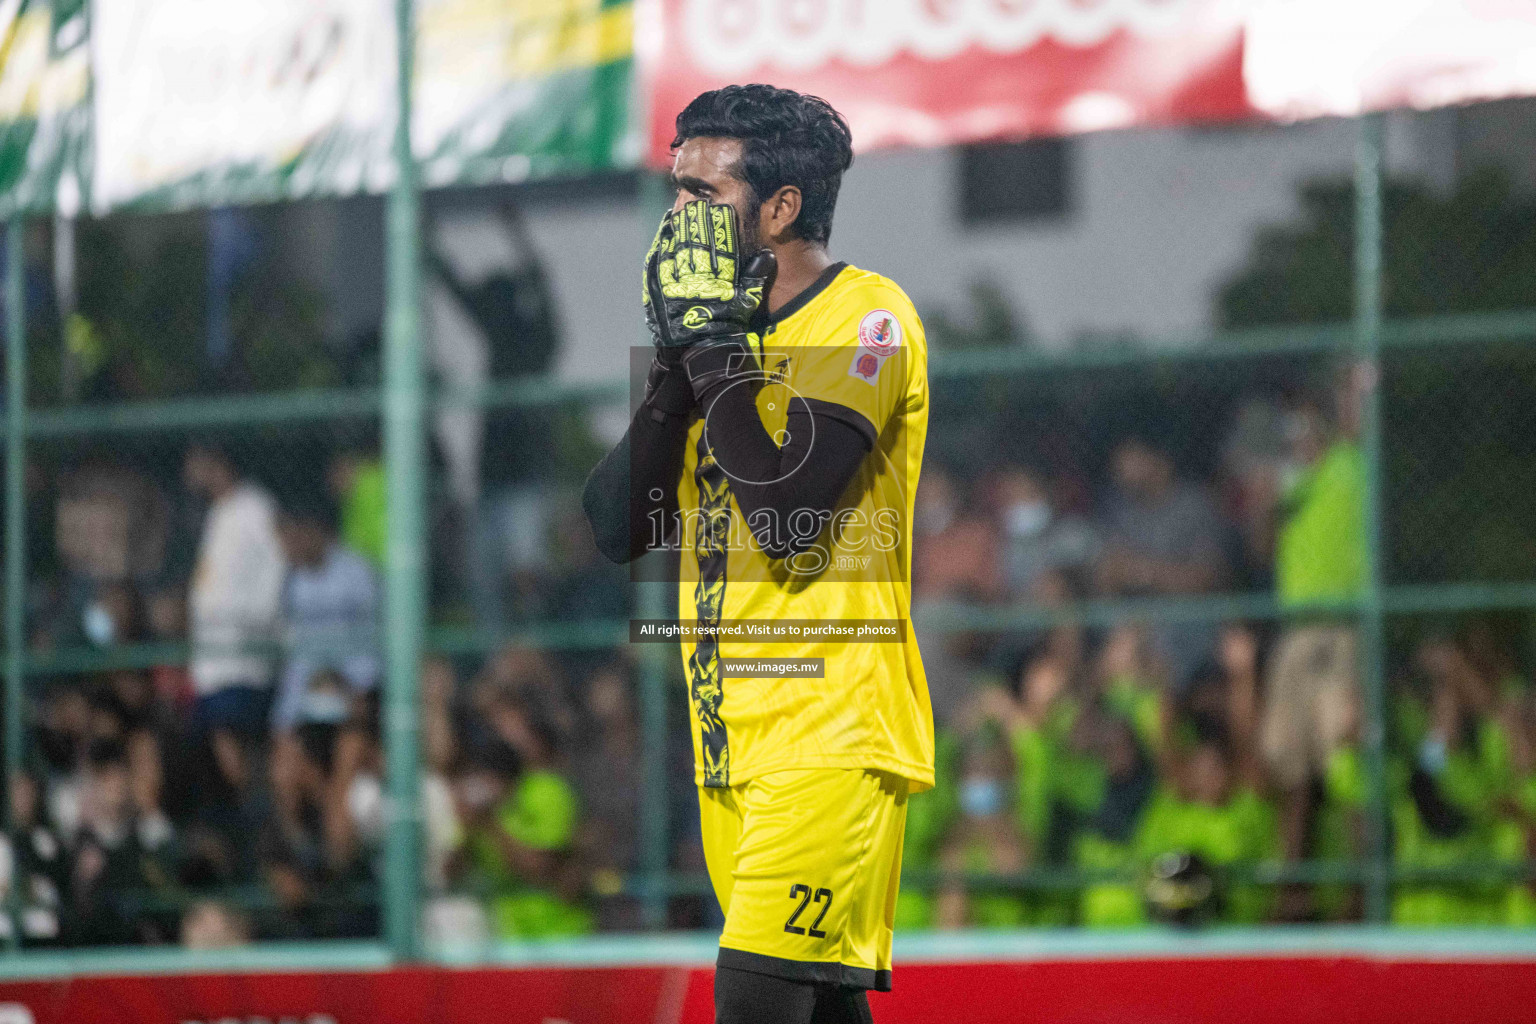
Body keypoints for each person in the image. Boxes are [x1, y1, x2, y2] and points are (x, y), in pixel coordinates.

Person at [583, 85, 933, 1024]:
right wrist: (673, 372)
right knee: (817, 1013)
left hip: (830, 733)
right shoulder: (720, 343)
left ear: (780, 208)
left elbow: (788, 521)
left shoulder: (867, 317)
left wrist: (710, 357)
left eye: (705, 194)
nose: (678, 216)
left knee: (753, 1002)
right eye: (675, 191)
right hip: (731, 742)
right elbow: (618, 528)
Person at [1257, 383, 1366, 918]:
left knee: (1346, 766)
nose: (1298, 440)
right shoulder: (1289, 491)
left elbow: (1356, 405)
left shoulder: (1349, 463)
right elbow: (1260, 547)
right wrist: (1269, 506)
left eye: (1305, 429)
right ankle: (1291, 895)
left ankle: (1362, 894)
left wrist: (1354, 376)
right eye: (1290, 434)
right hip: (1294, 634)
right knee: (1289, 771)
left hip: (1342, 630)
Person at [183, 444, 286, 796]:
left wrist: (258, 623)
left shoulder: (255, 506)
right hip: (213, 657)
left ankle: (253, 813)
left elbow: (277, 565)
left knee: (239, 745)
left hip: (244, 655)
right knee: (222, 745)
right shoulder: (215, 512)